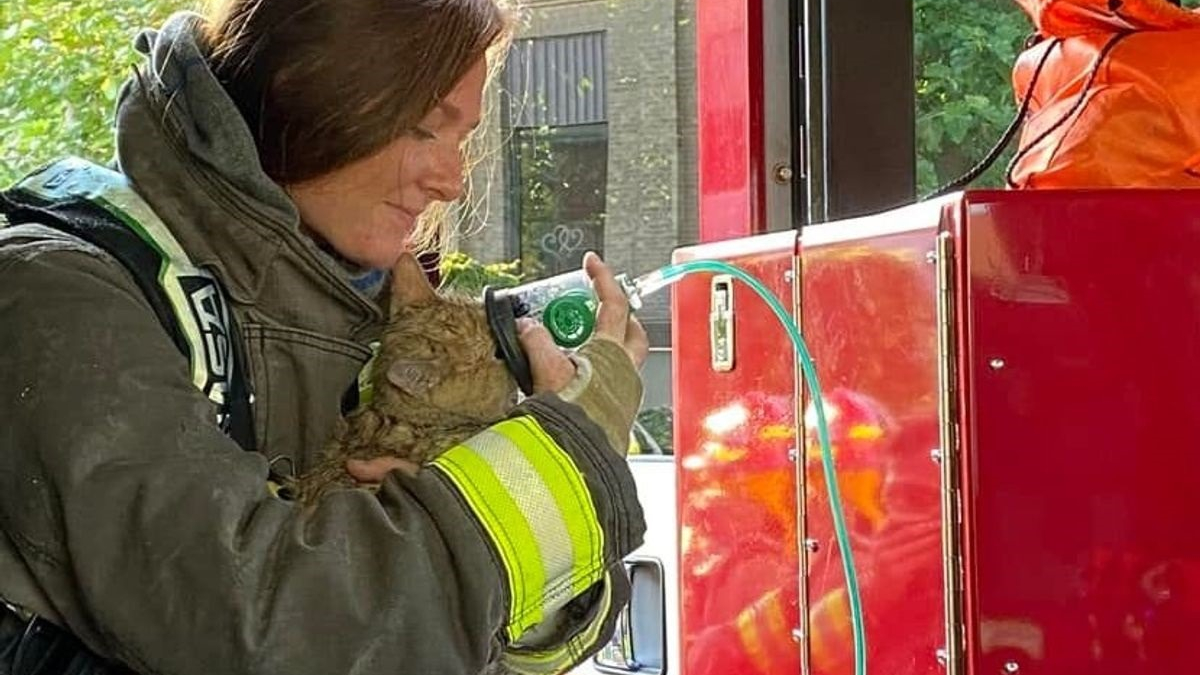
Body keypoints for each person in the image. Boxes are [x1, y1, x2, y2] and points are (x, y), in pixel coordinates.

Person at [0, 0, 649, 673]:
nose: (454, 182)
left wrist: (473, 547)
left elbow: (473, 636)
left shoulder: (377, 320)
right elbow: (266, 630)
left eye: (464, 141)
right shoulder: (56, 293)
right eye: (428, 129)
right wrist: (571, 454)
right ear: (308, 93)